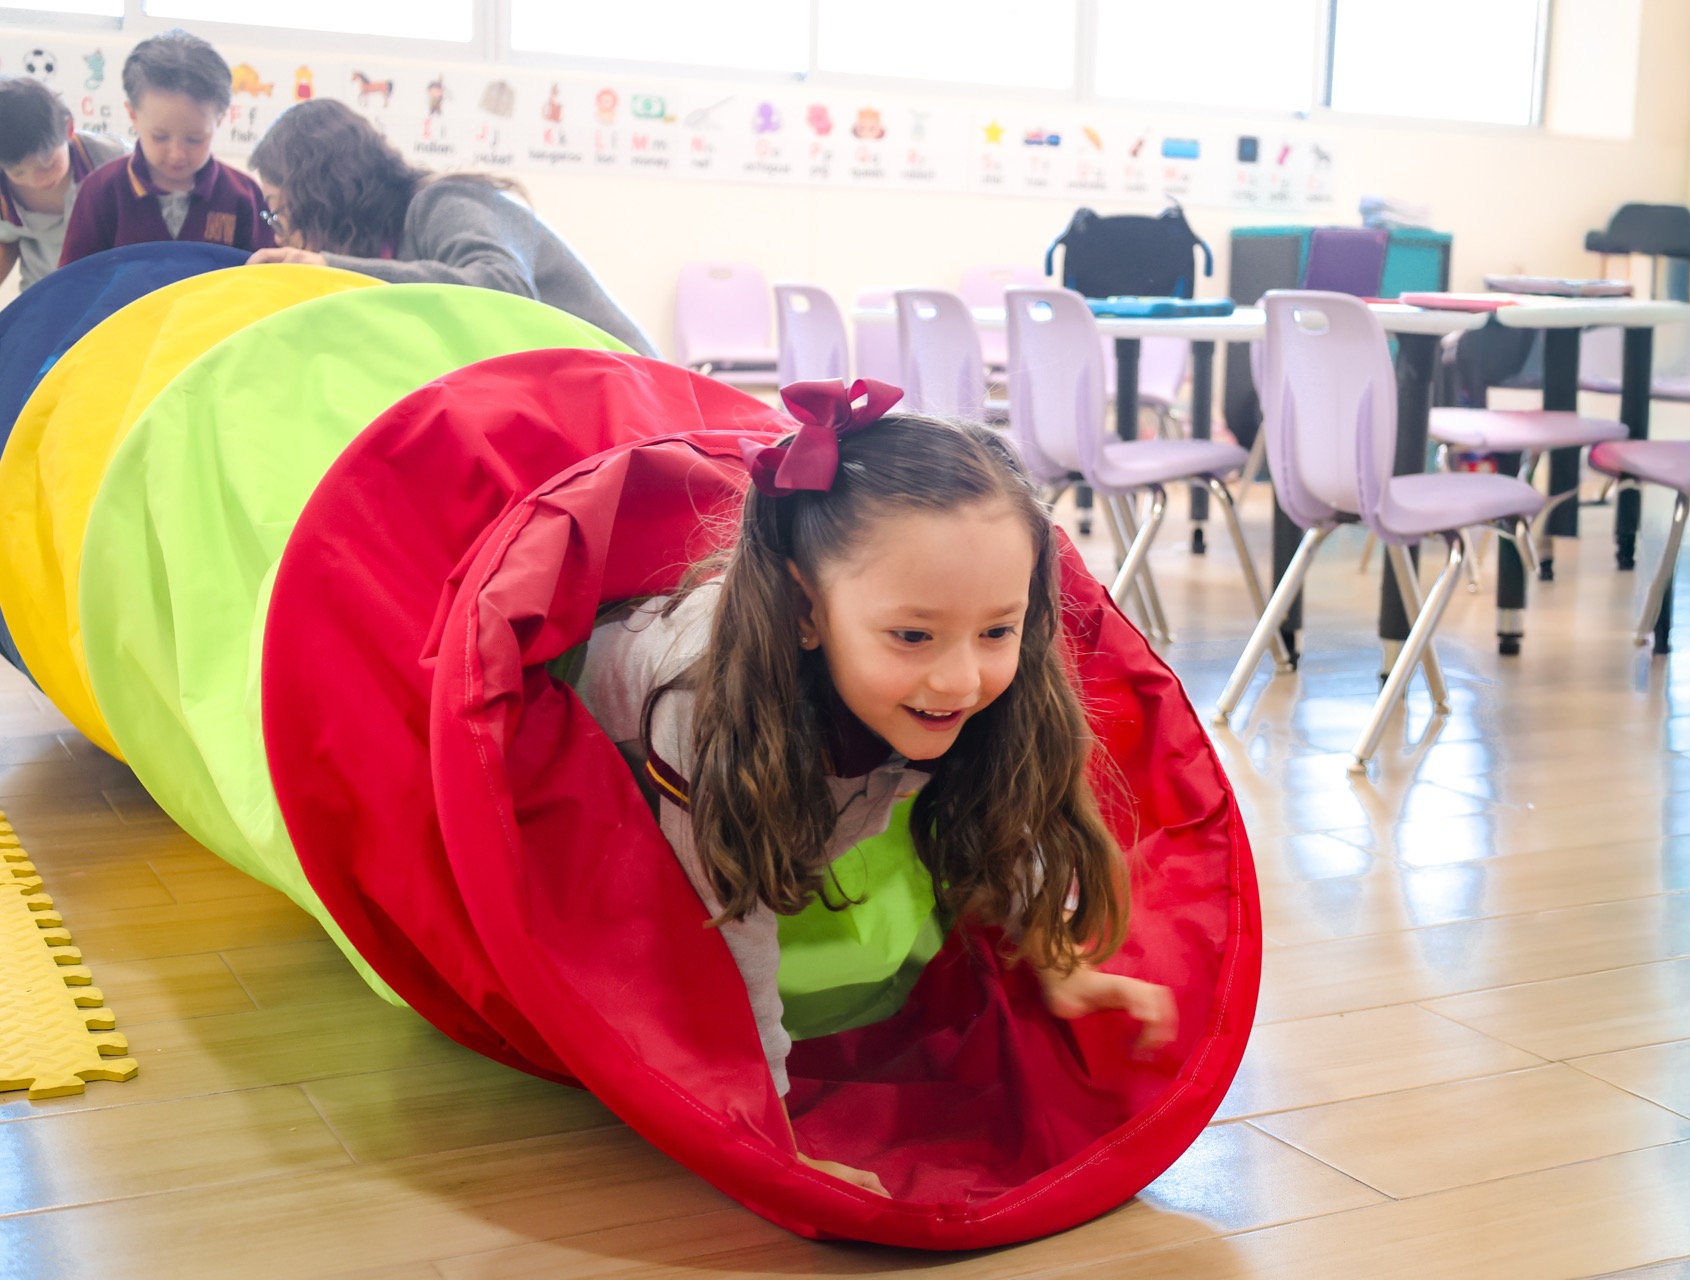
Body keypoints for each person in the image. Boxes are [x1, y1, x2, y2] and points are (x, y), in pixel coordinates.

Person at [572, 380, 1177, 1197]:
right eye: (913, 634)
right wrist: (773, 1136)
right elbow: (732, 931)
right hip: (600, 741)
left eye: (998, 629)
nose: (962, 675)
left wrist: (1056, 957)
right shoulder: (704, 711)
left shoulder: (964, 674)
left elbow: (1010, 802)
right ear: (805, 609)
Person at [244, 99, 657, 356]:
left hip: (637, 402)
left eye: (280, 213)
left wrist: (333, 268)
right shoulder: (394, 244)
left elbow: (504, 287)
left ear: (322, 200)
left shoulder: (441, 202)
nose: (280, 234)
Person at [59, 29, 270, 265]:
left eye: (195, 139)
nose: (176, 154)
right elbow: (74, 284)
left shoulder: (244, 196)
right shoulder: (100, 191)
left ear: (219, 120)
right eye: (159, 137)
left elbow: (263, 281)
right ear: (133, 116)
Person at [0, 76, 128, 290]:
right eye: (18, 172)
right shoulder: (4, 190)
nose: (36, 180)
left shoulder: (113, 162)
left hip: (111, 291)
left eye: (47, 164)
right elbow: (6, 240)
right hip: (45, 294)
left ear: (69, 128)